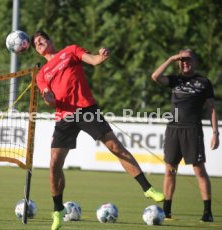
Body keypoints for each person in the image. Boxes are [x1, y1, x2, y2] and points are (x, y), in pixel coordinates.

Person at [31, 30, 164, 230]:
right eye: (36, 43)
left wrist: (101, 57)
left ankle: (147, 188)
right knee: (54, 165)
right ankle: (58, 210)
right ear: (37, 51)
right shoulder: (42, 74)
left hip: (86, 110)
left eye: (42, 39)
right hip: (64, 117)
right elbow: (48, 96)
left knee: (116, 148)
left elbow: (92, 60)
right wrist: (48, 98)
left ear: (51, 41)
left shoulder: (70, 51)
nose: (40, 43)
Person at [151, 48, 219, 222]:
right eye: (182, 60)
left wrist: (215, 132)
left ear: (194, 61)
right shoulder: (175, 80)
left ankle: (207, 212)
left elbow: (211, 108)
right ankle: (166, 212)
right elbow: (155, 77)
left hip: (192, 130)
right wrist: (171, 58)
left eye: (188, 60)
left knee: (199, 170)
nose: (185, 63)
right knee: (170, 170)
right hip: (173, 130)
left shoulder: (203, 82)